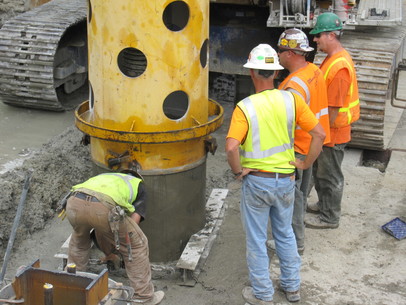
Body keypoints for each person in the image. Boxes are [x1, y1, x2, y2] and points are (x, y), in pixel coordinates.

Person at [226, 43, 325, 304]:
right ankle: (292, 289)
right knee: (285, 234)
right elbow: (319, 133)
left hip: (257, 181)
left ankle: (262, 294)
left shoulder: (244, 107)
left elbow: (231, 147)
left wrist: (238, 172)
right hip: (286, 181)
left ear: (252, 73)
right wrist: (304, 164)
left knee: (257, 239)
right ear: (275, 73)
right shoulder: (291, 99)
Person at [65, 167, 164, 305]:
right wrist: (120, 250)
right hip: (102, 207)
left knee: (79, 243)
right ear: (138, 177)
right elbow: (132, 227)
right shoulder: (138, 184)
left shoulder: (106, 177)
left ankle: (69, 285)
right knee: (136, 245)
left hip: (73, 202)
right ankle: (143, 297)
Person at [276, 28, 331, 254]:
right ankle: (294, 241)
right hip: (310, 145)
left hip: (298, 149)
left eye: (280, 51)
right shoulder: (313, 70)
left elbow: (285, 125)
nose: (278, 55)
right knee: (300, 196)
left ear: (290, 53)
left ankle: (295, 245)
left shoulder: (293, 88)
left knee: (294, 201)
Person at [305, 12, 360, 229]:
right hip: (328, 130)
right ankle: (324, 205)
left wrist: (319, 136)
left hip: (332, 132)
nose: (315, 39)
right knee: (322, 173)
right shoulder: (333, 59)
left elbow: (333, 109)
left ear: (331, 35)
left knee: (330, 176)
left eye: (319, 35)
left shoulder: (339, 68)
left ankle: (330, 217)